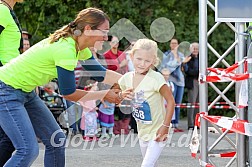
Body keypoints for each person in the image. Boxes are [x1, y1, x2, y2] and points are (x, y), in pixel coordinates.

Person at [0, 7, 132, 166]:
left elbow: (100, 73)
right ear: (88, 29)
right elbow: (68, 93)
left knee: (57, 140)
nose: (106, 37)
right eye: (104, 31)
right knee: (27, 150)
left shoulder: (78, 46)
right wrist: (104, 94)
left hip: (25, 92)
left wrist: (132, 83)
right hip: (6, 90)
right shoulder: (66, 49)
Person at [118, 39, 175, 167]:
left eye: (147, 61)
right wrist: (121, 95)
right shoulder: (126, 78)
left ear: (153, 61)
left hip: (158, 130)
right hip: (142, 131)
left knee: (147, 165)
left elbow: (171, 101)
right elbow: (116, 95)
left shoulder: (156, 78)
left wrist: (165, 127)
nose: (142, 64)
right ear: (131, 56)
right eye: (139, 59)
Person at [0, 0, 24, 166]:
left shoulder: (7, 10)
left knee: (7, 138)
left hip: (12, 78)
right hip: (5, 79)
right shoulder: (1, 10)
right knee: (7, 138)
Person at [160, 37, 191, 132]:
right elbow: (166, 67)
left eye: (175, 43)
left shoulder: (181, 55)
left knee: (178, 103)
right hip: (171, 81)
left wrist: (184, 64)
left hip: (180, 82)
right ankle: (169, 123)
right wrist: (180, 62)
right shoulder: (167, 55)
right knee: (170, 102)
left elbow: (185, 68)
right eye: (172, 43)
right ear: (170, 44)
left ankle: (176, 123)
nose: (174, 45)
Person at [182, 42, 199, 130]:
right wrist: (196, 72)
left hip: (200, 82)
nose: (196, 50)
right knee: (192, 103)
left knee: (198, 104)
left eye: (197, 49)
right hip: (192, 82)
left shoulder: (201, 58)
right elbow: (188, 71)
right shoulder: (188, 58)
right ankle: (191, 124)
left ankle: (197, 123)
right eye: (194, 49)